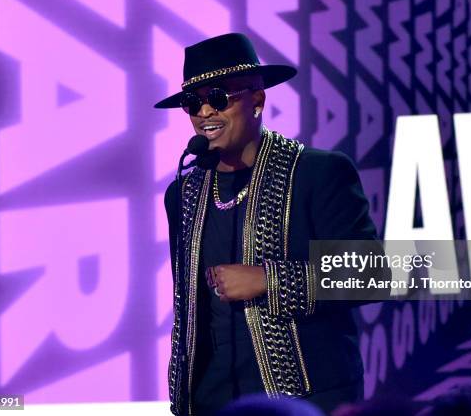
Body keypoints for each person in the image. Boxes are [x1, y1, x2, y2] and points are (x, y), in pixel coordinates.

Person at [155, 33, 386, 416]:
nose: (205, 113)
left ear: (257, 99)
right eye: (193, 104)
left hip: (306, 400)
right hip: (211, 401)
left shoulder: (318, 173)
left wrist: (268, 280)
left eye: (218, 97)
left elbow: (372, 274)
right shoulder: (183, 193)